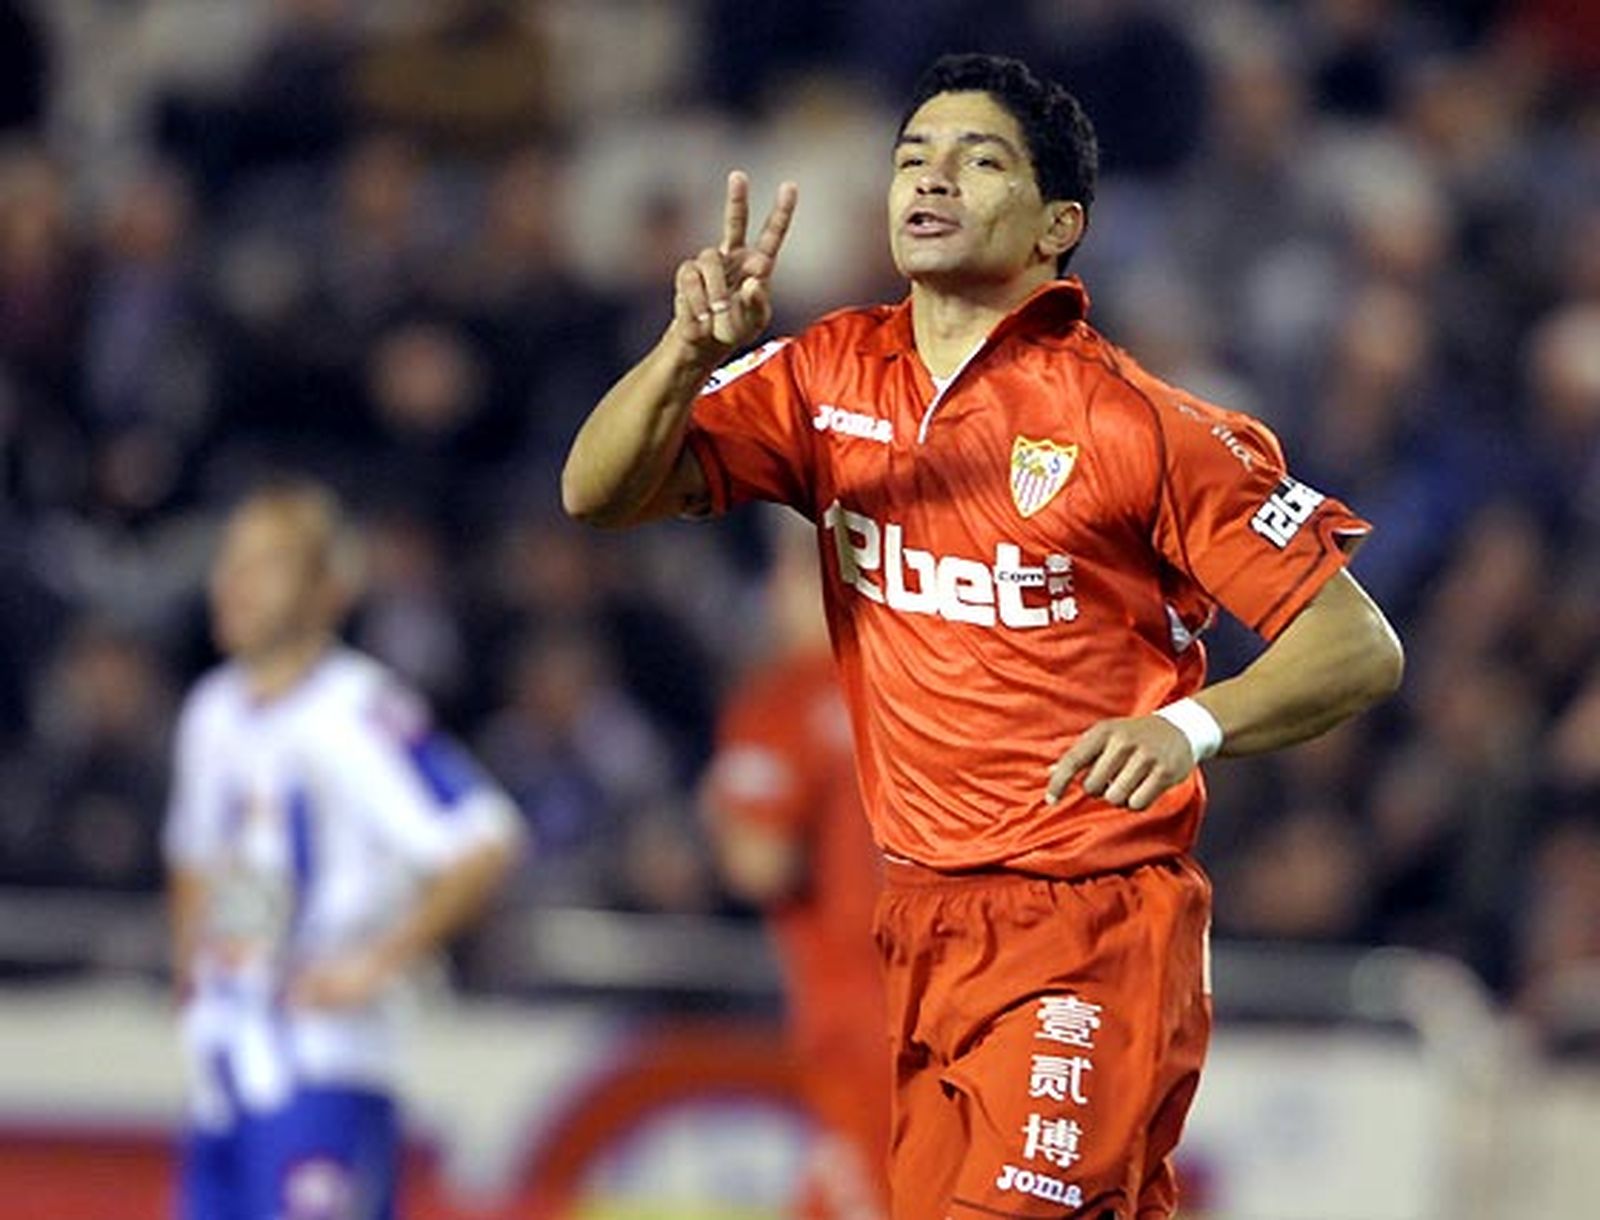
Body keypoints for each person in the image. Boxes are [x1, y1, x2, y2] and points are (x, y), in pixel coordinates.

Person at [562, 52, 1403, 1220]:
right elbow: (598, 493)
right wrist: (683, 356)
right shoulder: (823, 375)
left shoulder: (1139, 423)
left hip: (1087, 919)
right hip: (917, 921)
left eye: (978, 158)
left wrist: (1190, 724)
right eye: (913, 155)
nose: (931, 177)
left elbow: (1357, 642)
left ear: (1059, 224)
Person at [164, 481, 524, 1220]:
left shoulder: (356, 711)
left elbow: (486, 837)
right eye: (230, 561)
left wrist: (379, 962)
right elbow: (193, 855)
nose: (232, 583)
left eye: (265, 565)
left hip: (324, 1061)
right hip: (230, 1059)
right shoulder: (212, 712)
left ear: (329, 589)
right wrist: (198, 973)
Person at [701, 510, 889, 1220]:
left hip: (853, 1005)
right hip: (961, 989)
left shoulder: (784, 699)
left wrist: (715, 807)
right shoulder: (928, 688)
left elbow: (759, 863)